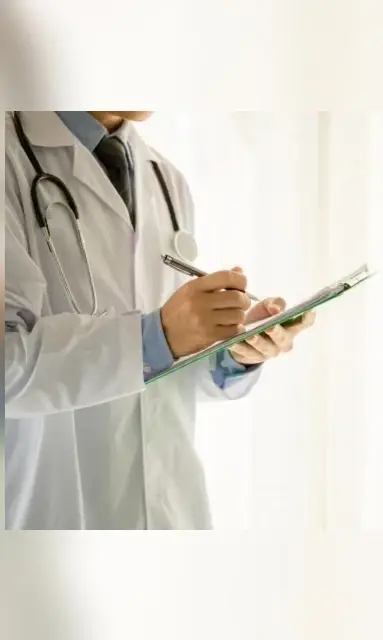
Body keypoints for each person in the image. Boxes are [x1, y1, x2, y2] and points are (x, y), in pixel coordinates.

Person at [4, 110, 315, 530]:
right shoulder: (10, 156)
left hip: (172, 515)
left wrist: (230, 353)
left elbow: (158, 372)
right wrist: (158, 337)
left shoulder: (167, 179)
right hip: (49, 515)